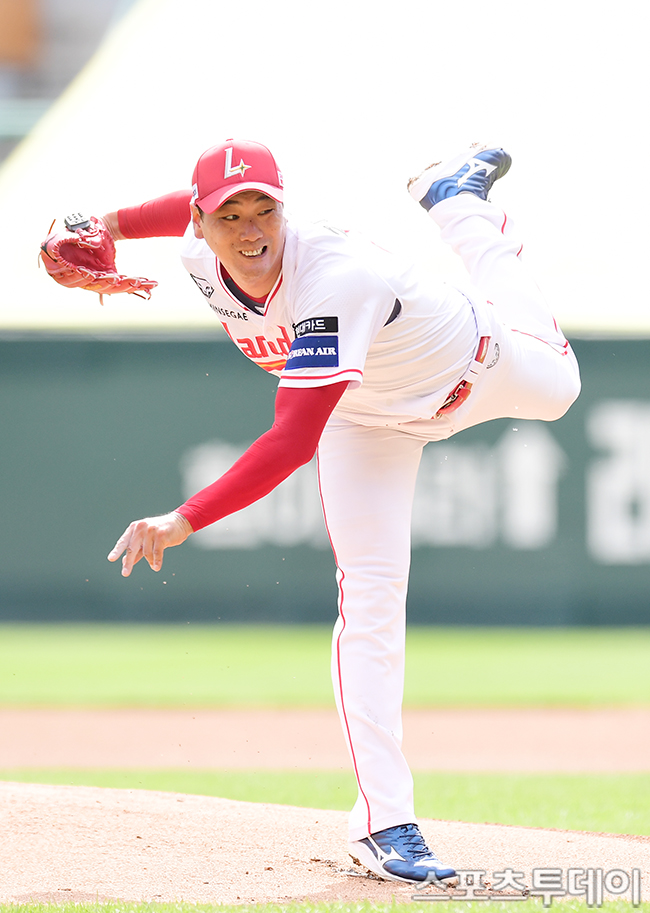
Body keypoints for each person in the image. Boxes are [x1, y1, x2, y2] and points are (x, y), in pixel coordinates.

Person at [103, 139, 580, 884]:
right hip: (362, 419)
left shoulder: (333, 278)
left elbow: (292, 439)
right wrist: (102, 225)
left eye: (265, 209)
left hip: (470, 367)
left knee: (562, 388)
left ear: (285, 210)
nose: (251, 229)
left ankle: (459, 207)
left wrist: (184, 517)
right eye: (230, 214)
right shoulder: (197, 249)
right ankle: (385, 823)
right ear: (202, 222)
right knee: (371, 600)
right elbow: (170, 212)